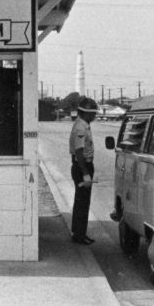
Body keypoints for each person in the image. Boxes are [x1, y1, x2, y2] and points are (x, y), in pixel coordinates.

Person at [69, 97, 98, 244]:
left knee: (81, 201)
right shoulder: (81, 127)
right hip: (82, 167)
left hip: (82, 166)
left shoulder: (83, 124)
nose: (94, 116)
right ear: (86, 113)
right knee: (82, 202)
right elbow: (79, 151)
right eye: (93, 113)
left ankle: (79, 232)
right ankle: (79, 235)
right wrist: (86, 173)